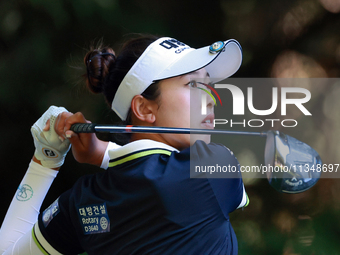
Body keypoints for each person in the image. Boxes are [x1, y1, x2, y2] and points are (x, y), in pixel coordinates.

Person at [0, 34, 249, 254]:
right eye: (193, 84)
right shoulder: (212, 170)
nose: (210, 99)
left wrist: (46, 159)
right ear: (143, 108)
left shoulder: (84, 200)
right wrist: (100, 154)